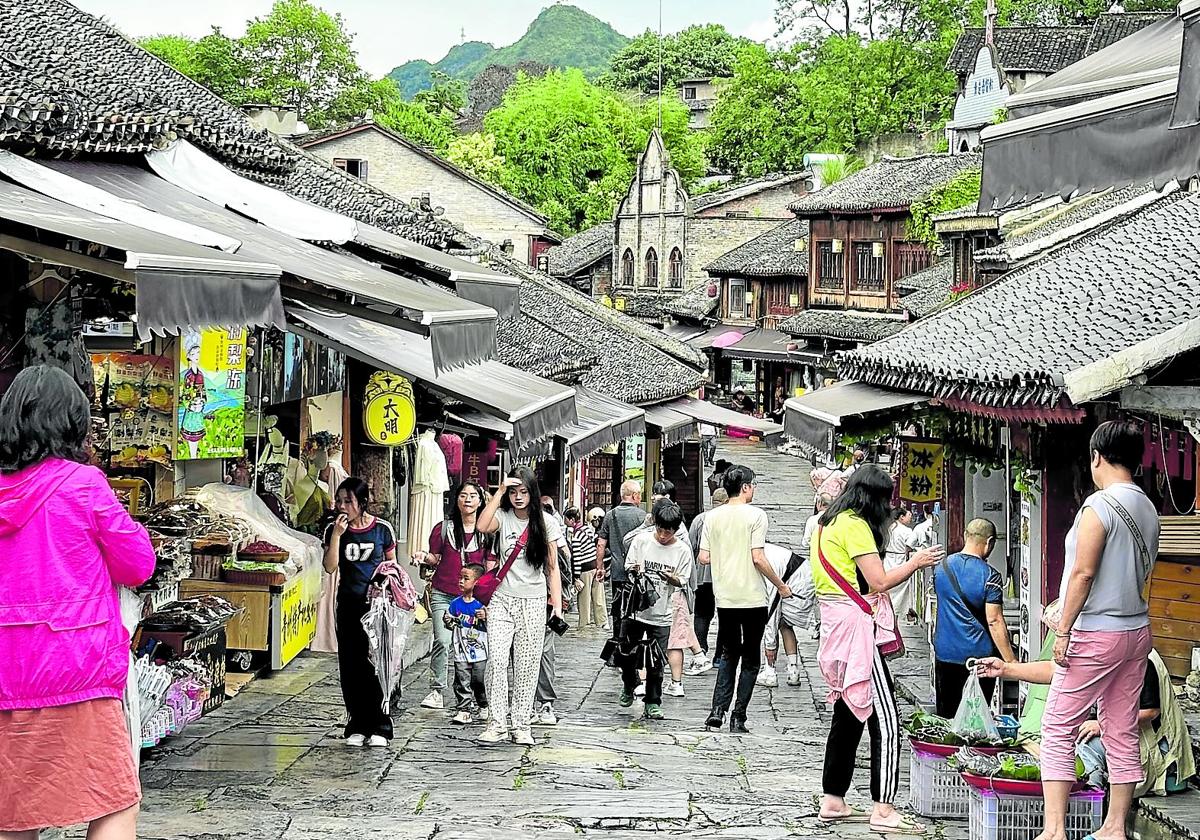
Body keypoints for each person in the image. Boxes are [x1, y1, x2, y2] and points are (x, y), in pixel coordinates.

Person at [0, 365, 157, 839]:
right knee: (115, 801)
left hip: (7, 673)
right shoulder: (83, 484)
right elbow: (138, 564)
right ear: (72, 423)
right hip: (78, 666)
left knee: (14, 816)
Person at [1038, 420, 1159, 840]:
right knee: (1121, 727)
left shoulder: (1099, 506)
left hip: (1095, 633)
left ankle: (1054, 830)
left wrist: (1064, 627)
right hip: (1136, 632)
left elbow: (1083, 574)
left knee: (1057, 725)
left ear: (1097, 456)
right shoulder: (1147, 507)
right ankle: (1114, 827)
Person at [812, 465, 943, 834]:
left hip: (834, 625)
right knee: (885, 719)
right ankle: (883, 808)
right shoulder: (854, 525)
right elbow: (879, 580)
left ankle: (833, 799)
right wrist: (916, 562)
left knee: (848, 712)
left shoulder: (827, 523)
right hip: (856, 630)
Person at [976, 649, 1195, 797]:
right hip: (1124, 733)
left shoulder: (1137, 657)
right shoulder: (1094, 651)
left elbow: (1150, 711)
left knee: (1087, 749)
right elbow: (1055, 670)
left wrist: (1101, 724)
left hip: (1157, 746)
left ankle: (1090, 801)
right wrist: (1005, 669)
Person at [699, 465, 792, 734]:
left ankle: (717, 710)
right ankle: (738, 716)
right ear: (746, 487)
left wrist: (727, 557)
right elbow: (758, 557)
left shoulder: (712, 517)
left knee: (728, 653)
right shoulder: (756, 516)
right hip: (753, 597)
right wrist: (781, 585)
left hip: (725, 597)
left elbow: (704, 557)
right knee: (751, 658)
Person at [475, 467, 563, 746]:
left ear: (532, 493)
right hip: (502, 598)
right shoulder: (502, 517)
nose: (518, 497)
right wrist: (499, 490)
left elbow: (552, 568)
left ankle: (521, 724)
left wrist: (557, 606)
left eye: (523, 491)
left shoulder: (546, 522)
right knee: (497, 661)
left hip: (533, 600)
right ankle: (497, 723)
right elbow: (481, 525)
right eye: (514, 492)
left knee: (527, 664)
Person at [324, 477, 397, 747]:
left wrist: (385, 590)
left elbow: (392, 567)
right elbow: (330, 567)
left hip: (376, 605)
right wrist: (336, 536)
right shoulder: (335, 529)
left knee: (375, 665)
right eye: (339, 501)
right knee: (351, 666)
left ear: (362, 503)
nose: (343, 506)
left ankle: (380, 725)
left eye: (348, 501)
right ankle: (356, 723)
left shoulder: (382, 530)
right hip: (348, 603)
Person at [413, 480, 491, 711]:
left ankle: (473, 693)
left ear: (480, 501)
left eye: (473, 495)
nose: (467, 499)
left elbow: (489, 564)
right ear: (456, 500)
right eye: (463, 495)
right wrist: (423, 556)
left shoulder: (487, 531)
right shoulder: (443, 528)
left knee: (472, 646)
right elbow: (435, 558)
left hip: (473, 599)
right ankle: (437, 689)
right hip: (444, 594)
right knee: (443, 640)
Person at [930, 518, 1014, 717]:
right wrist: (1011, 662)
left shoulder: (941, 567)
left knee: (947, 717)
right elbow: (994, 621)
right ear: (990, 542)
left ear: (965, 536)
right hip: (980, 658)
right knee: (975, 719)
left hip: (945, 653)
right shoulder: (990, 576)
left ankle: (948, 749)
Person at [619, 500, 693, 720]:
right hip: (636, 609)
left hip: (663, 613)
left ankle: (652, 701)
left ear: (676, 530)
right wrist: (636, 572)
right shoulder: (641, 541)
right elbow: (628, 568)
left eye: (668, 532)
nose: (663, 536)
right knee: (627, 654)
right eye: (660, 530)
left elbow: (683, 580)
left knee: (656, 661)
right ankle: (629, 684)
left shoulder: (682, 550)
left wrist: (672, 578)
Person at [758, 543, 816, 688]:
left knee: (774, 621)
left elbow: (770, 612)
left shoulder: (762, 560)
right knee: (785, 624)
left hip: (798, 584)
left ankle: (770, 672)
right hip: (803, 577)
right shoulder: (763, 549)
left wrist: (769, 643)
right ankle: (793, 671)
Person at [686, 488, 727, 672]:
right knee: (725, 616)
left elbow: (690, 546)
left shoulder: (700, 519)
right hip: (725, 576)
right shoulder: (730, 519)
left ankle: (700, 650)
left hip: (702, 575)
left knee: (702, 615)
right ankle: (720, 655)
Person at [446, 563, 490, 725]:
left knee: (479, 680)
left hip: (480, 651)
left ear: (477, 582)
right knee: (461, 680)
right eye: (460, 578)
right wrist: (449, 621)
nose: (461, 581)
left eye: (466, 578)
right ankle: (463, 709)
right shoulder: (455, 603)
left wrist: (486, 616)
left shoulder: (483, 604)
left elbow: (491, 625)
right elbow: (449, 622)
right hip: (461, 649)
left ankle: (483, 703)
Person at [595, 479, 646, 599]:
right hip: (637, 570)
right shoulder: (643, 516)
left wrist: (600, 567)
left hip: (617, 570)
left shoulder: (610, 515)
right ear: (634, 495)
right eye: (639, 495)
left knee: (617, 607)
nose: (640, 498)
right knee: (636, 609)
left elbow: (600, 544)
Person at [565, 507, 606, 629]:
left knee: (584, 600)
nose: (565, 522)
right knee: (598, 597)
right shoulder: (587, 530)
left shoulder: (577, 536)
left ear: (572, 520)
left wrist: (576, 577)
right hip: (594, 566)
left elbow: (577, 559)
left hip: (585, 570)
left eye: (566, 519)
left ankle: (584, 624)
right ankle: (602, 622)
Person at [884, 506, 917, 624]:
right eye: (909, 516)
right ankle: (895, 619)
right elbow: (911, 545)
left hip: (887, 561)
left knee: (888, 592)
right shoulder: (907, 531)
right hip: (900, 561)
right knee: (899, 594)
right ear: (901, 517)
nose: (910, 518)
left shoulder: (888, 529)